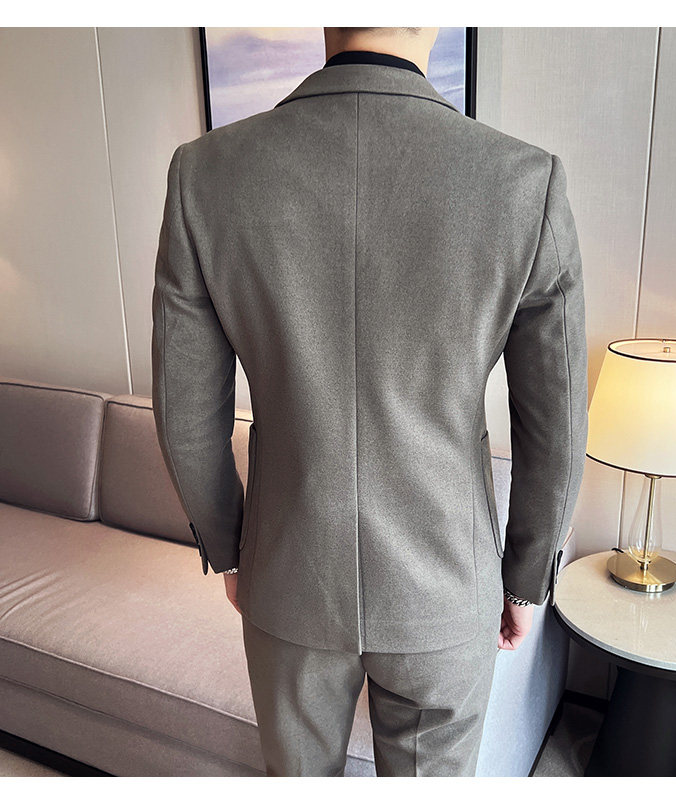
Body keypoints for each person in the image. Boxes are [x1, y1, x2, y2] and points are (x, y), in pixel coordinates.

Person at [151, 25, 588, 777]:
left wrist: (231, 549)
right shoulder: (524, 181)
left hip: (289, 573)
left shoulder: (207, 174)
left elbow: (187, 415)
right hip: (446, 585)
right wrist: (524, 578)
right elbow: (557, 423)